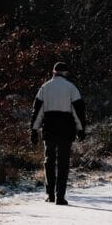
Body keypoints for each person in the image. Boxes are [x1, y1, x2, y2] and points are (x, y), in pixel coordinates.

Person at [30, 61, 86, 206]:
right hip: (66, 129)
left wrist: (34, 130)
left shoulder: (45, 87)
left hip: (49, 127)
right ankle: (60, 196)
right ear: (66, 73)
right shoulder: (71, 88)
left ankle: (50, 194)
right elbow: (78, 111)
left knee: (49, 161)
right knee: (63, 163)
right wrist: (81, 129)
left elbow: (38, 111)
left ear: (53, 71)